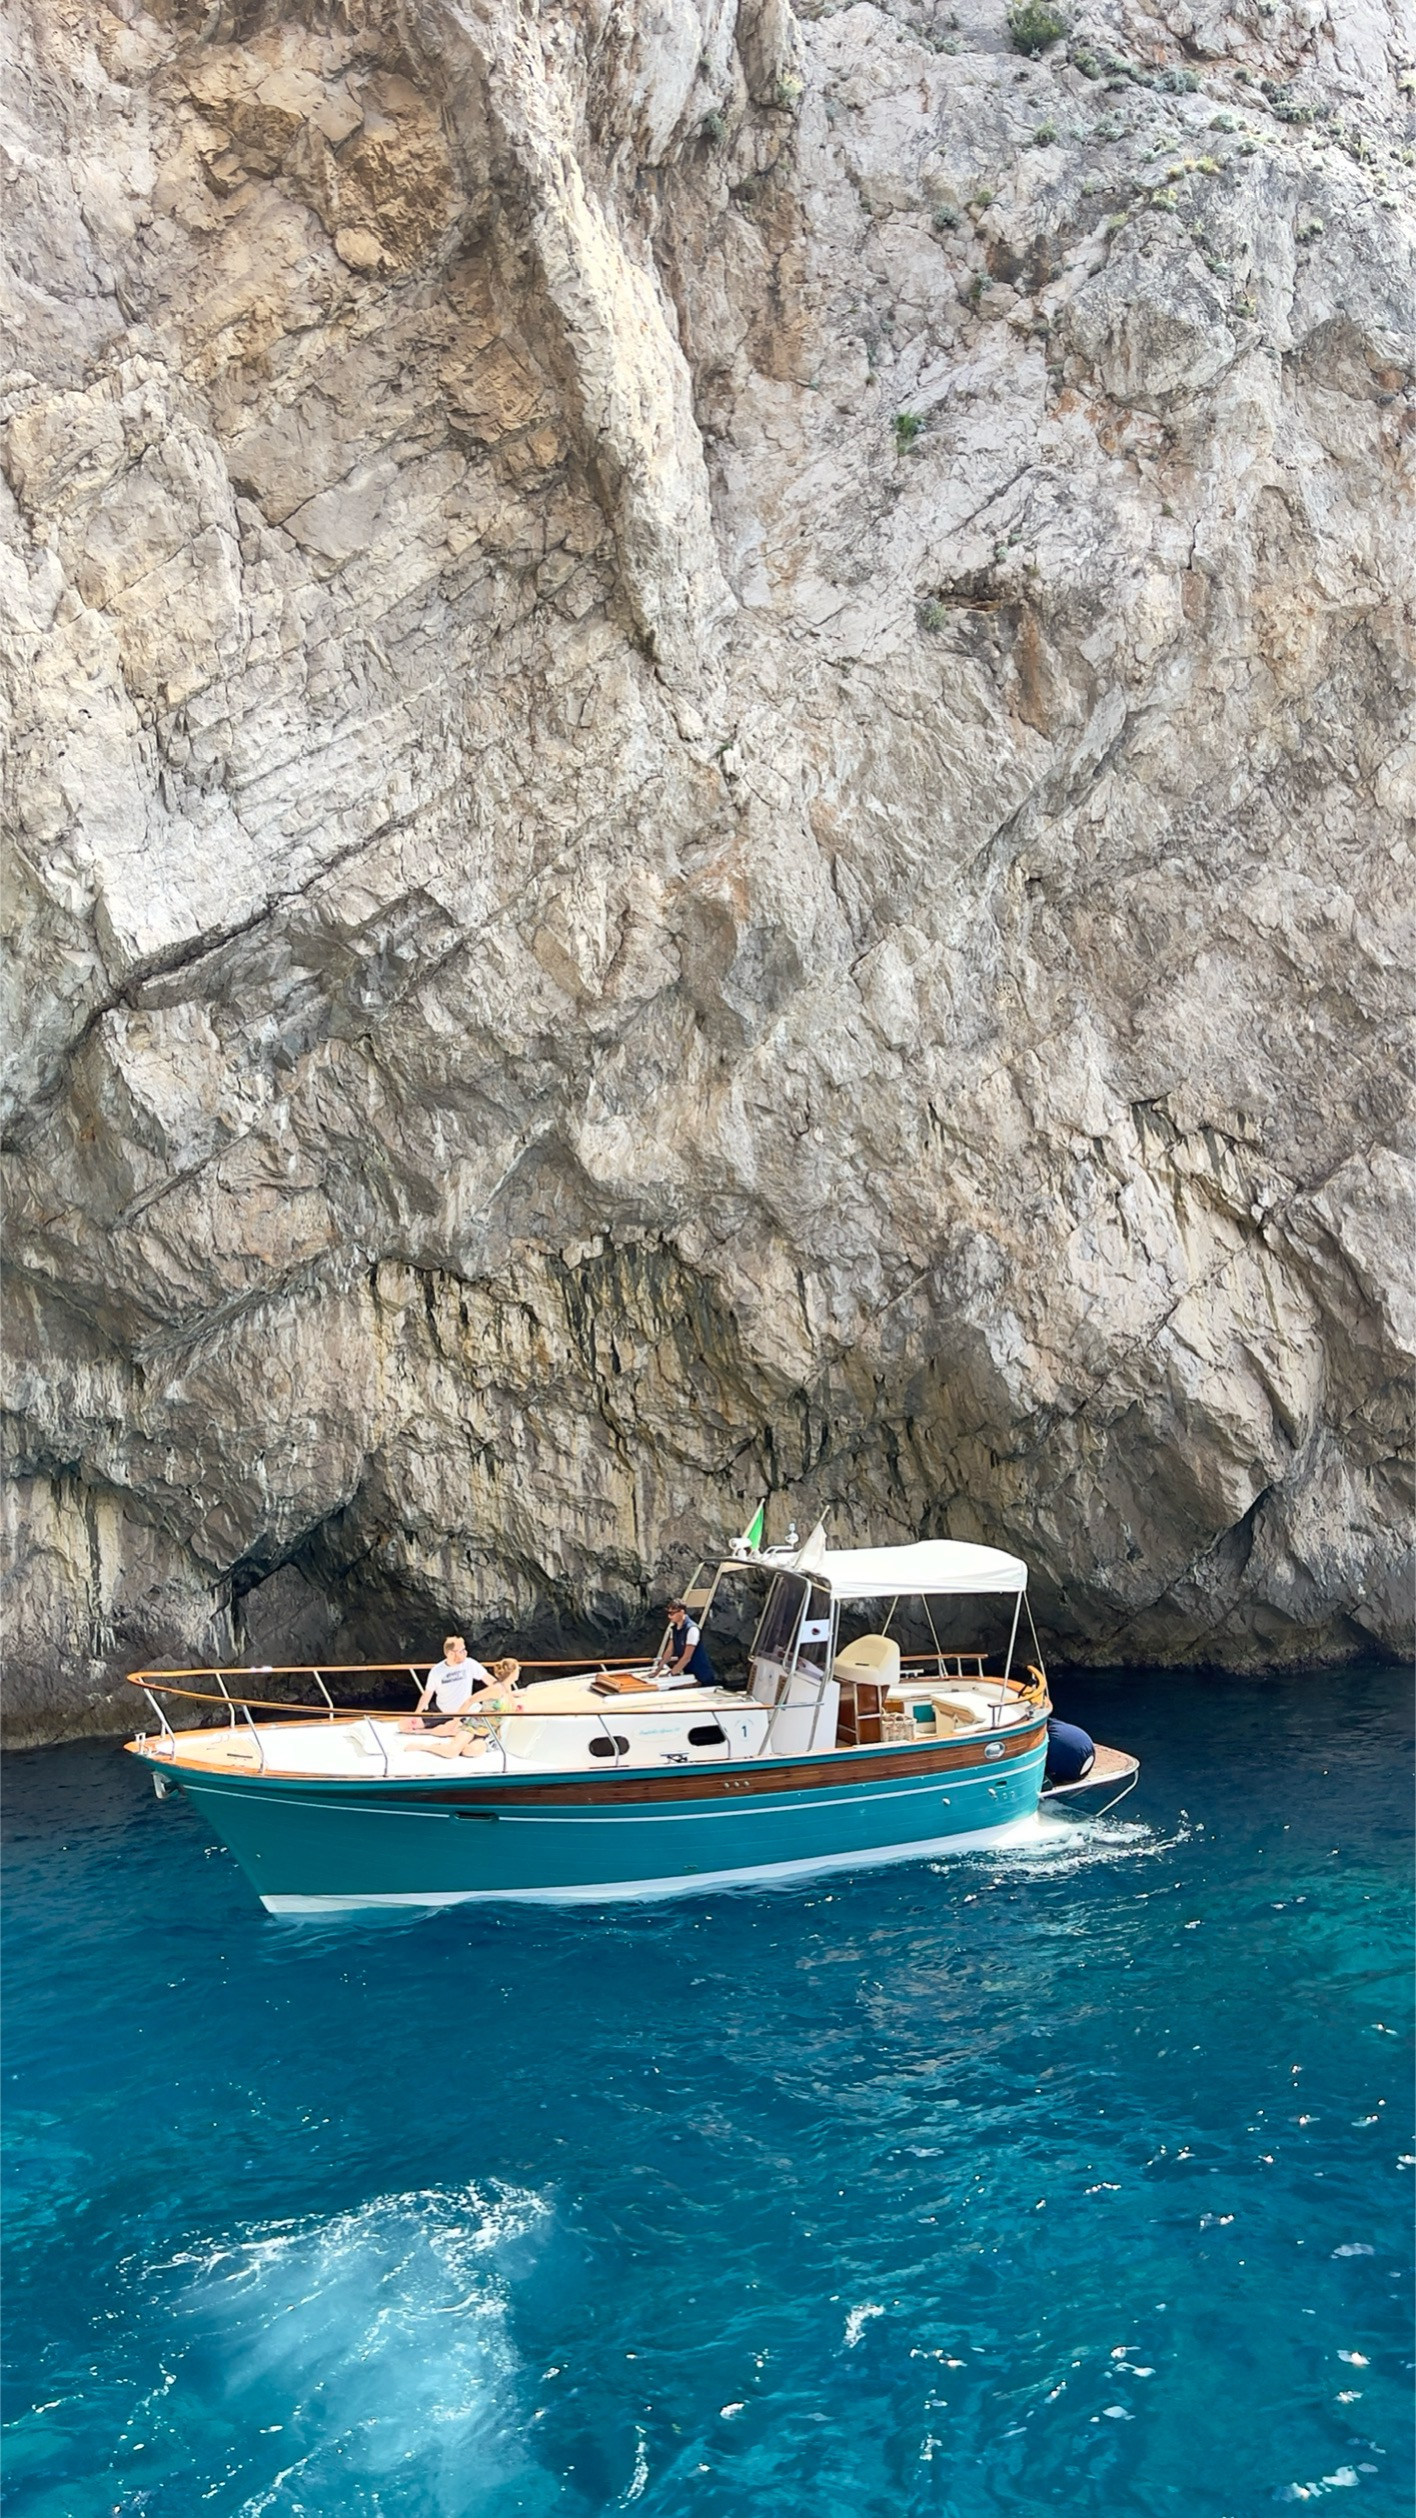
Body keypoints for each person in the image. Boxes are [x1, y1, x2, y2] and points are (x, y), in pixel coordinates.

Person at [416, 1662, 523, 1759]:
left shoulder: (507, 1688)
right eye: (518, 1669)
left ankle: (456, 1742)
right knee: (451, 1752)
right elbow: (469, 1701)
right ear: (512, 1672)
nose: (519, 1671)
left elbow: (511, 1705)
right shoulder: (496, 1689)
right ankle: (427, 1747)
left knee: (471, 1751)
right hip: (475, 1726)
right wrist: (455, 1721)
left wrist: (517, 1708)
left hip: (489, 1731)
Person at [399, 1636, 491, 1733]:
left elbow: (489, 1680)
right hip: (441, 1711)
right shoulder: (437, 1671)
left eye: (465, 1650)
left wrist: (505, 1691)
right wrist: (417, 1713)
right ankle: (438, 1729)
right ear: (451, 1654)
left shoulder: (470, 1664)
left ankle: (430, 1731)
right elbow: (427, 1694)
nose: (465, 1653)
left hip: (465, 1712)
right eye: (461, 1651)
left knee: (458, 1729)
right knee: (404, 1725)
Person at [653, 1601, 717, 1688]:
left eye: (672, 1613)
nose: (669, 1616)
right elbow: (669, 1651)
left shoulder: (692, 1629)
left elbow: (687, 1657)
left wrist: (671, 1674)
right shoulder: (674, 1629)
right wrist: (658, 1669)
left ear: (682, 1612)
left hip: (701, 1676)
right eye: (668, 1613)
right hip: (689, 1674)